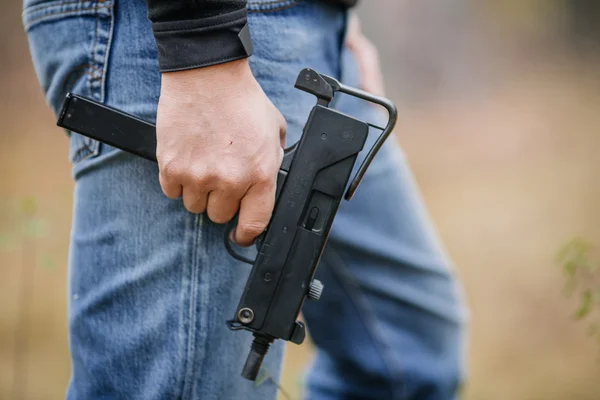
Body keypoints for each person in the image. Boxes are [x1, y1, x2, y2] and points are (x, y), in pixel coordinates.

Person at [22, 0, 468, 398]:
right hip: (198, 40)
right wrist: (200, 42)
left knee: (407, 359)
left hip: (304, 27)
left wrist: (335, 18)